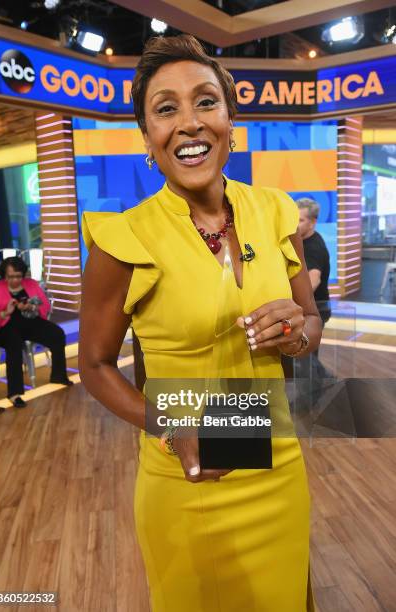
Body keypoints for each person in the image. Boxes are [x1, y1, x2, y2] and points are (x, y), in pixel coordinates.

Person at [79, 35, 321, 612]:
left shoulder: (274, 210)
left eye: (205, 102)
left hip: (276, 457)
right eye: (166, 109)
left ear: (230, 120)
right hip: (183, 477)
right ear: (147, 138)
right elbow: (93, 365)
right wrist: (170, 424)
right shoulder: (122, 238)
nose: (189, 123)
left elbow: (310, 324)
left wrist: (296, 334)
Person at [0, 256, 73, 407]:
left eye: (18, 276)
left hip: (30, 323)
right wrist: (5, 312)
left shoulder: (31, 284)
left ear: (23, 274)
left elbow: (45, 305)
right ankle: (14, 394)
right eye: (11, 277)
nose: (15, 280)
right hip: (7, 326)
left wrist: (31, 307)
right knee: (13, 345)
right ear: (4, 276)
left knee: (57, 334)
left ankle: (59, 376)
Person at [297, 198, 331, 326]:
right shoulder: (304, 240)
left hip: (314, 311)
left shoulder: (313, 247)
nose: (294, 224)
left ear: (312, 223)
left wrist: (291, 303)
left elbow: (314, 280)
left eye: (300, 220)